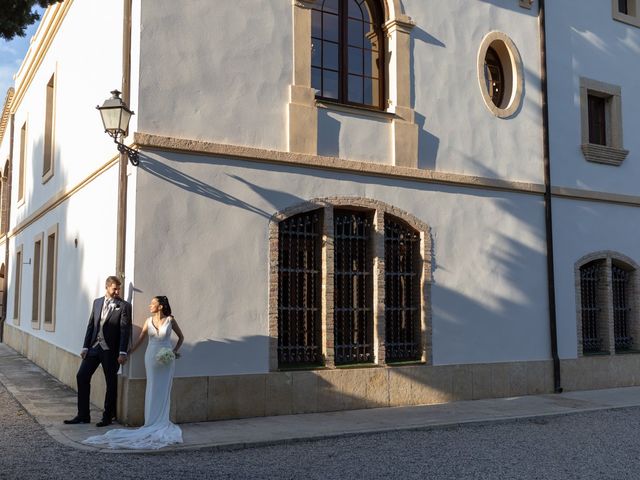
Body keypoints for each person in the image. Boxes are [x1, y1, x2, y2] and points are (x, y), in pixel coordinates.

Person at [83, 295, 184, 450]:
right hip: (150, 357)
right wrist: (127, 353)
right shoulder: (148, 321)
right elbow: (141, 339)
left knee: (164, 389)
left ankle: (162, 420)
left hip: (166, 360)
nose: (150, 306)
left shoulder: (171, 320)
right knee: (152, 387)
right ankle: (150, 421)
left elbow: (181, 337)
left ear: (161, 306)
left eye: (153, 304)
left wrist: (174, 352)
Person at [65, 276, 132, 427]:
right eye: (114, 288)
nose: (117, 291)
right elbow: (91, 325)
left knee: (111, 383)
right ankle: (83, 415)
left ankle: (107, 417)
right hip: (94, 348)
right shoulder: (97, 302)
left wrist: (122, 352)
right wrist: (85, 347)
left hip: (111, 351)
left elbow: (124, 330)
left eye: (118, 289)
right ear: (107, 287)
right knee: (82, 376)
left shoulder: (124, 306)